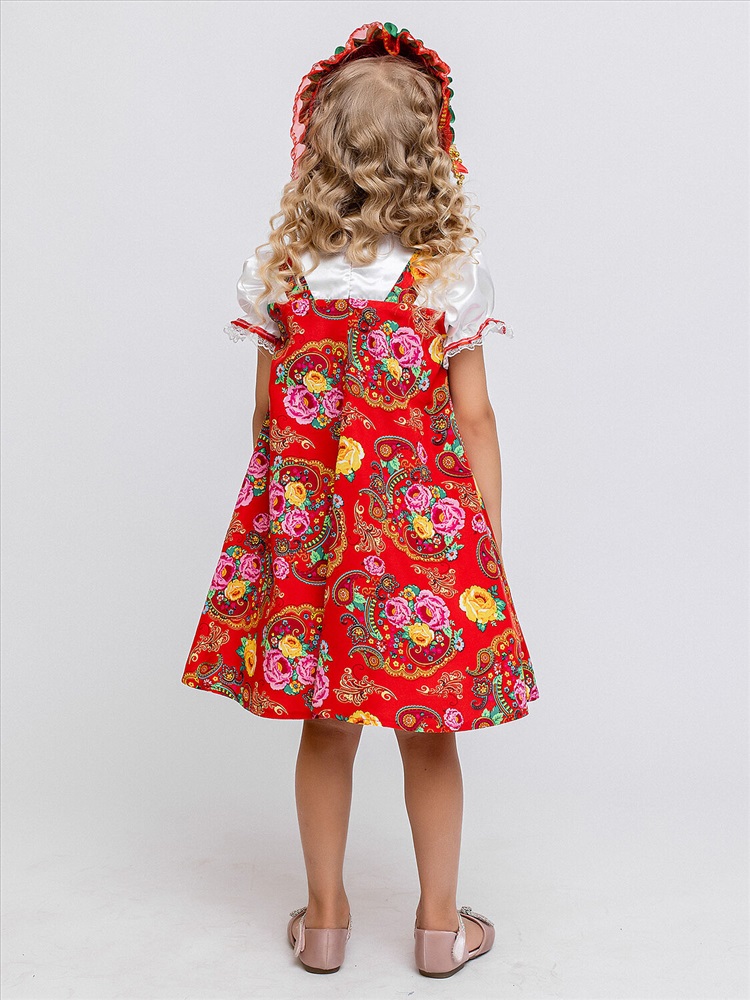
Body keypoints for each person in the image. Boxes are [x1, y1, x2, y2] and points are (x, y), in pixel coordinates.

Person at [182, 20, 540, 979]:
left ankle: (325, 923)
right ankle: (439, 930)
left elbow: (269, 418)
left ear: (321, 147)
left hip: (317, 541)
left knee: (326, 725)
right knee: (430, 733)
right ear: (428, 155)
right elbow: (476, 419)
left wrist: (290, 521)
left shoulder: (281, 275)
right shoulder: (448, 279)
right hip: (425, 545)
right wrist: (484, 543)